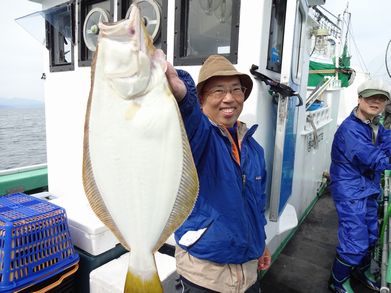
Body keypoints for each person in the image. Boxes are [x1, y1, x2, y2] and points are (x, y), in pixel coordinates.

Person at [165, 54, 271, 292]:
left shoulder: (254, 149)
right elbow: (189, 116)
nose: (229, 98)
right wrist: (182, 93)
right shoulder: (198, 136)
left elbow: (257, 203)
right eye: (218, 91)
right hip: (204, 277)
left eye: (236, 89)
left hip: (249, 274)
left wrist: (261, 242)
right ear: (201, 99)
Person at [329, 79, 391, 292]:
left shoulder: (374, 125)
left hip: (368, 188)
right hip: (351, 192)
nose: (376, 101)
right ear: (360, 99)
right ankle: (337, 282)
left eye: (381, 98)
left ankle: (359, 271)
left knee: (372, 236)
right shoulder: (350, 130)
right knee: (355, 241)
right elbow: (376, 159)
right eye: (372, 96)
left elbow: (387, 142)